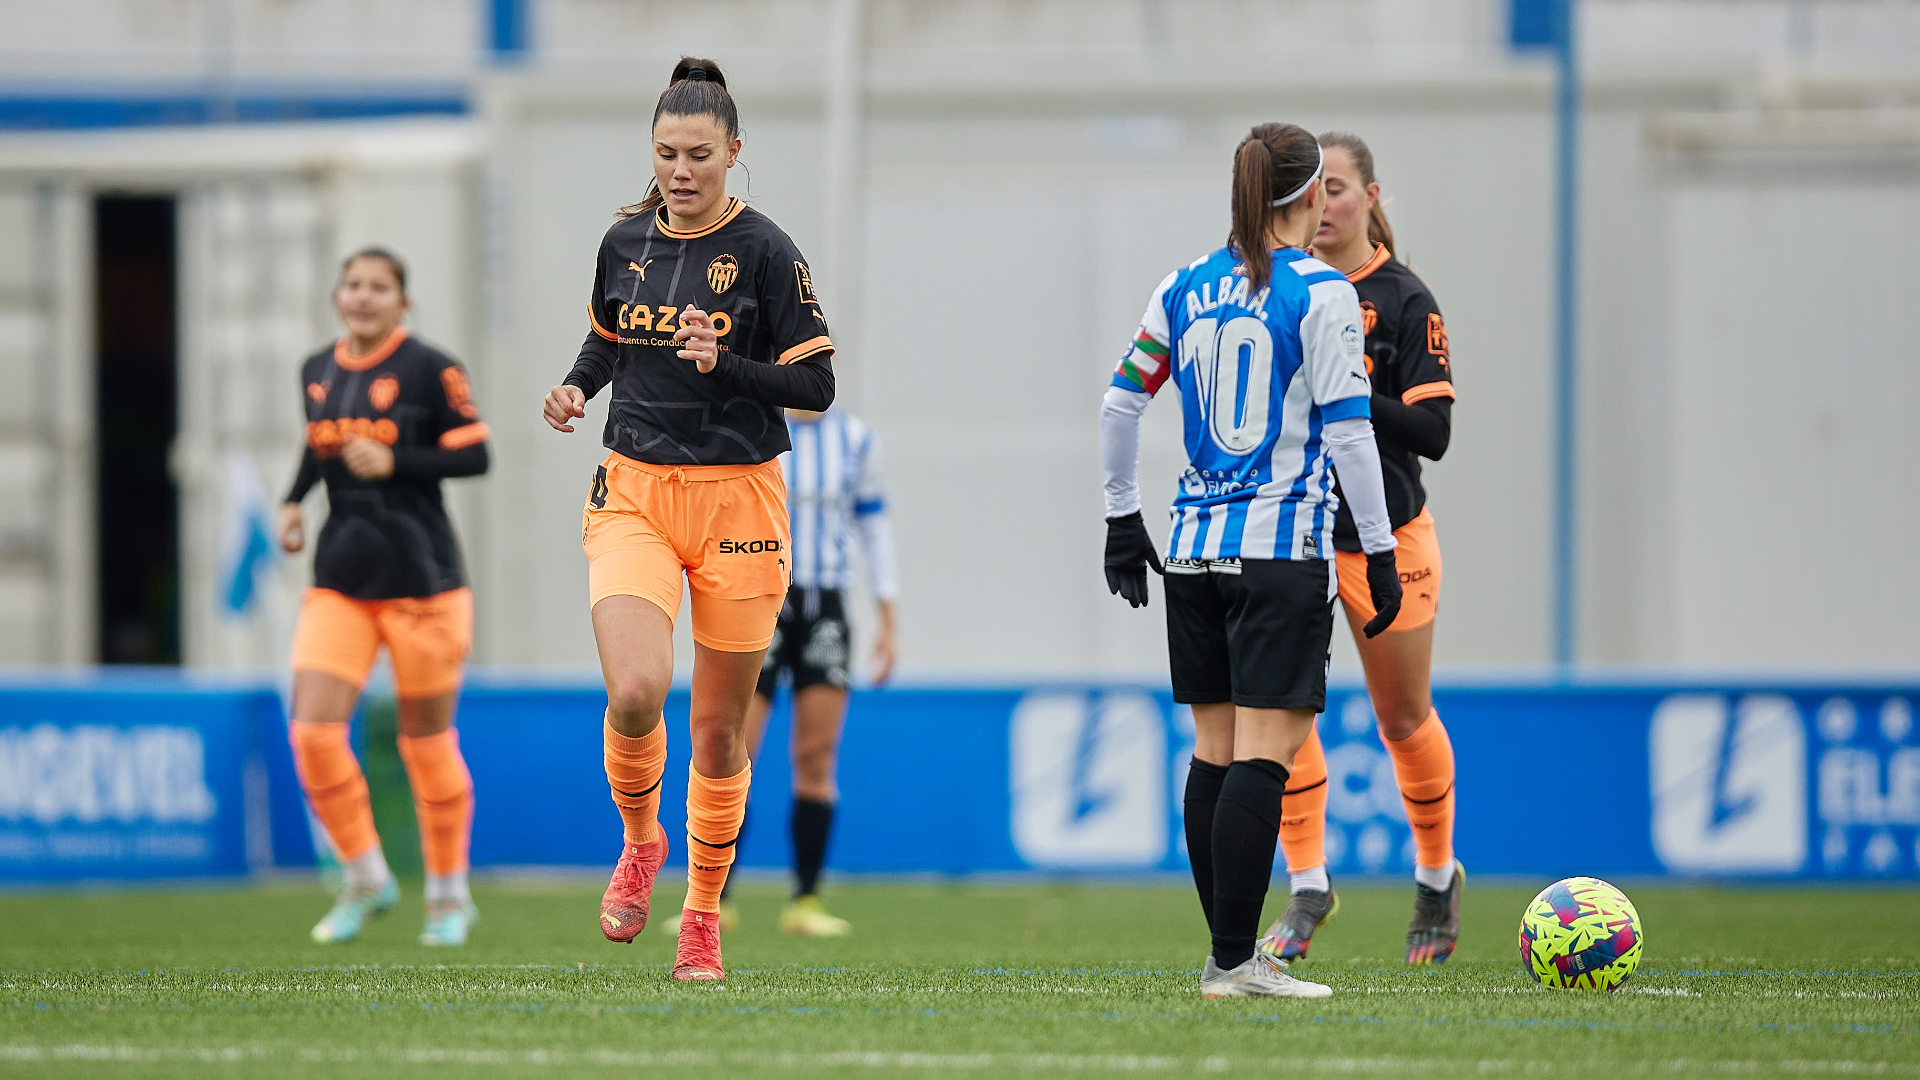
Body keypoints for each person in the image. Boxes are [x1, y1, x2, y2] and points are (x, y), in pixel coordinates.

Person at [542, 57, 834, 982]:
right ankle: (639, 842)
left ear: (733, 153)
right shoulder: (623, 240)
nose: (680, 169)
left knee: (718, 734)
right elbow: (608, 333)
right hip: (633, 488)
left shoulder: (768, 253)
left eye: (699, 154)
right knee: (634, 691)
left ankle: (701, 917)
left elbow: (818, 387)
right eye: (667, 152)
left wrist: (729, 365)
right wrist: (577, 386)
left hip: (740, 499)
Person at [1101, 122, 1403, 1000]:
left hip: (1192, 551)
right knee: (1266, 757)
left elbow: (1121, 407)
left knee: (1214, 754)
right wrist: (1378, 551)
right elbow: (1349, 433)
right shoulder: (1323, 291)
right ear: (1312, 198)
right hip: (1279, 551)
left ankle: (1227, 953)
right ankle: (1233, 961)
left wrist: (1123, 521)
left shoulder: (1184, 284)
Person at [1255, 131, 1464, 967]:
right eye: (1314, 188)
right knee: (1281, 709)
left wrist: (1349, 393)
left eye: (1338, 186)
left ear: (1370, 196)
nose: (1325, 202)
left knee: (1401, 716)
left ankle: (1436, 875)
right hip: (1293, 534)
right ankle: (1308, 884)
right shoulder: (1274, 290)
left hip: (1388, 535)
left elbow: (1435, 432)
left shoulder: (1406, 300)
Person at [279, 247, 490, 947]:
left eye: (379, 287)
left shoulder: (431, 367)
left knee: (424, 744)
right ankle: (366, 876)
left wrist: (399, 459)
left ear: (403, 302)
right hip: (341, 578)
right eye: (353, 285)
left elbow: (475, 454)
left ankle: (448, 898)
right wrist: (291, 502)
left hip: (422, 582)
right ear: (338, 295)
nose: (363, 297)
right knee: (312, 732)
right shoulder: (317, 368)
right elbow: (319, 448)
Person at [745, 406, 899, 936]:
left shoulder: (855, 439)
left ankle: (805, 899)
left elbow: (874, 526)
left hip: (825, 606)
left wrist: (888, 618)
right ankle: (711, 899)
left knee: (816, 756)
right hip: (760, 597)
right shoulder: (752, 422)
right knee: (733, 750)